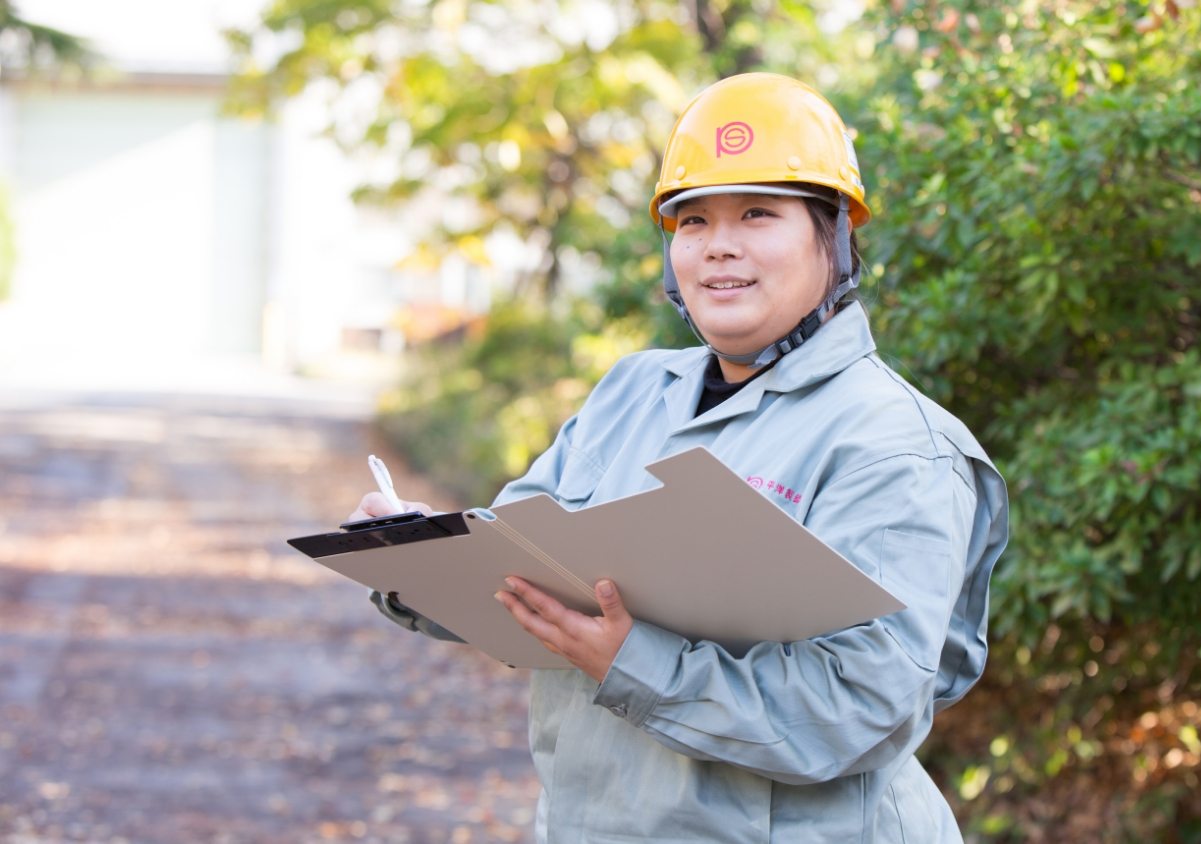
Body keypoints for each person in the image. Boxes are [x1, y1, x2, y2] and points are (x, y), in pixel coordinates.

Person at [352, 72, 1009, 843]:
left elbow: (861, 709)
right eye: (693, 220)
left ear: (832, 238)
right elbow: (516, 565)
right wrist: (412, 557)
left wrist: (635, 660)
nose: (720, 244)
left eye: (758, 213)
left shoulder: (893, 445)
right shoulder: (631, 394)